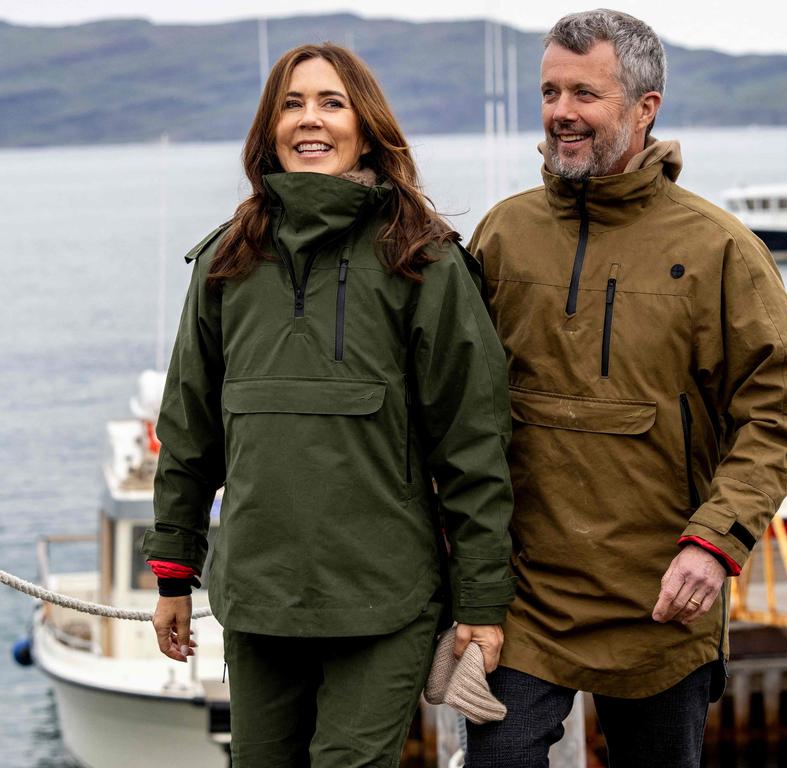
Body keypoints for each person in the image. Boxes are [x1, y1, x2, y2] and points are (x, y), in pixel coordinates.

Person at [464, 10, 787, 767]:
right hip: (526, 600)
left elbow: (784, 410)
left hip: (664, 597)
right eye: (550, 91)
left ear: (644, 106)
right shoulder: (503, 233)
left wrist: (715, 541)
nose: (561, 112)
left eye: (584, 94)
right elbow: (454, 404)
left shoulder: (720, 248)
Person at [141, 43, 515, 766]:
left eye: (331, 103)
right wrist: (173, 573)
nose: (309, 120)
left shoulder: (426, 262)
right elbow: (188, 428)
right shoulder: (226, 262)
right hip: (258, 596)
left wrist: (481, 602)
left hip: (383, 598)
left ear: (367, 128)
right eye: (291, 103)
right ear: (268, 130)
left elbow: (473, 445)